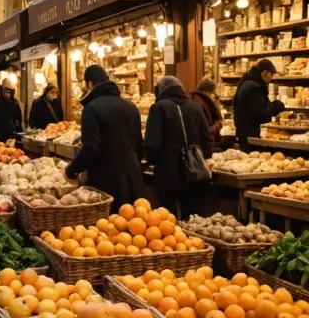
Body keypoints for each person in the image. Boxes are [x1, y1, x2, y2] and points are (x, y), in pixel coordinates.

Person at [65, 65, 144, 208]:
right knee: (133, 224)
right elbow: (139, 145)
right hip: (133, 179)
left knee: (106, 227)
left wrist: (72, 169)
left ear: (90, 83)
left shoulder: (91, 108)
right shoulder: (131, 106)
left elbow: (91, 147)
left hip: (106, 182)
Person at [145, 76, 210, 217]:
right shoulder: (196, 107)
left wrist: (153, 162)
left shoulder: (159, 108)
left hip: (168, 172)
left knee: (168, 219)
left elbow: (152, 143)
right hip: (194, 173)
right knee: (192, 218)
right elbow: (207, 138)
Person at [233, 58, 285, 149]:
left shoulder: (247, 82)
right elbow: (262, 114)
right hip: (250, 137)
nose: (272, 78)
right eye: (271, 74)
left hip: (243, 133)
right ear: (264, 73)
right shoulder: (254, 88)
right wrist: (276, 107)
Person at [192, 77, 223, 152]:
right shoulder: (202, 104)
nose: (214, 95)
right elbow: (206, 130)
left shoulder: (203, 101)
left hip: (206, 144)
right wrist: (218, 125)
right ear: (208, 91)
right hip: (205, 146)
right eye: (213, 92)